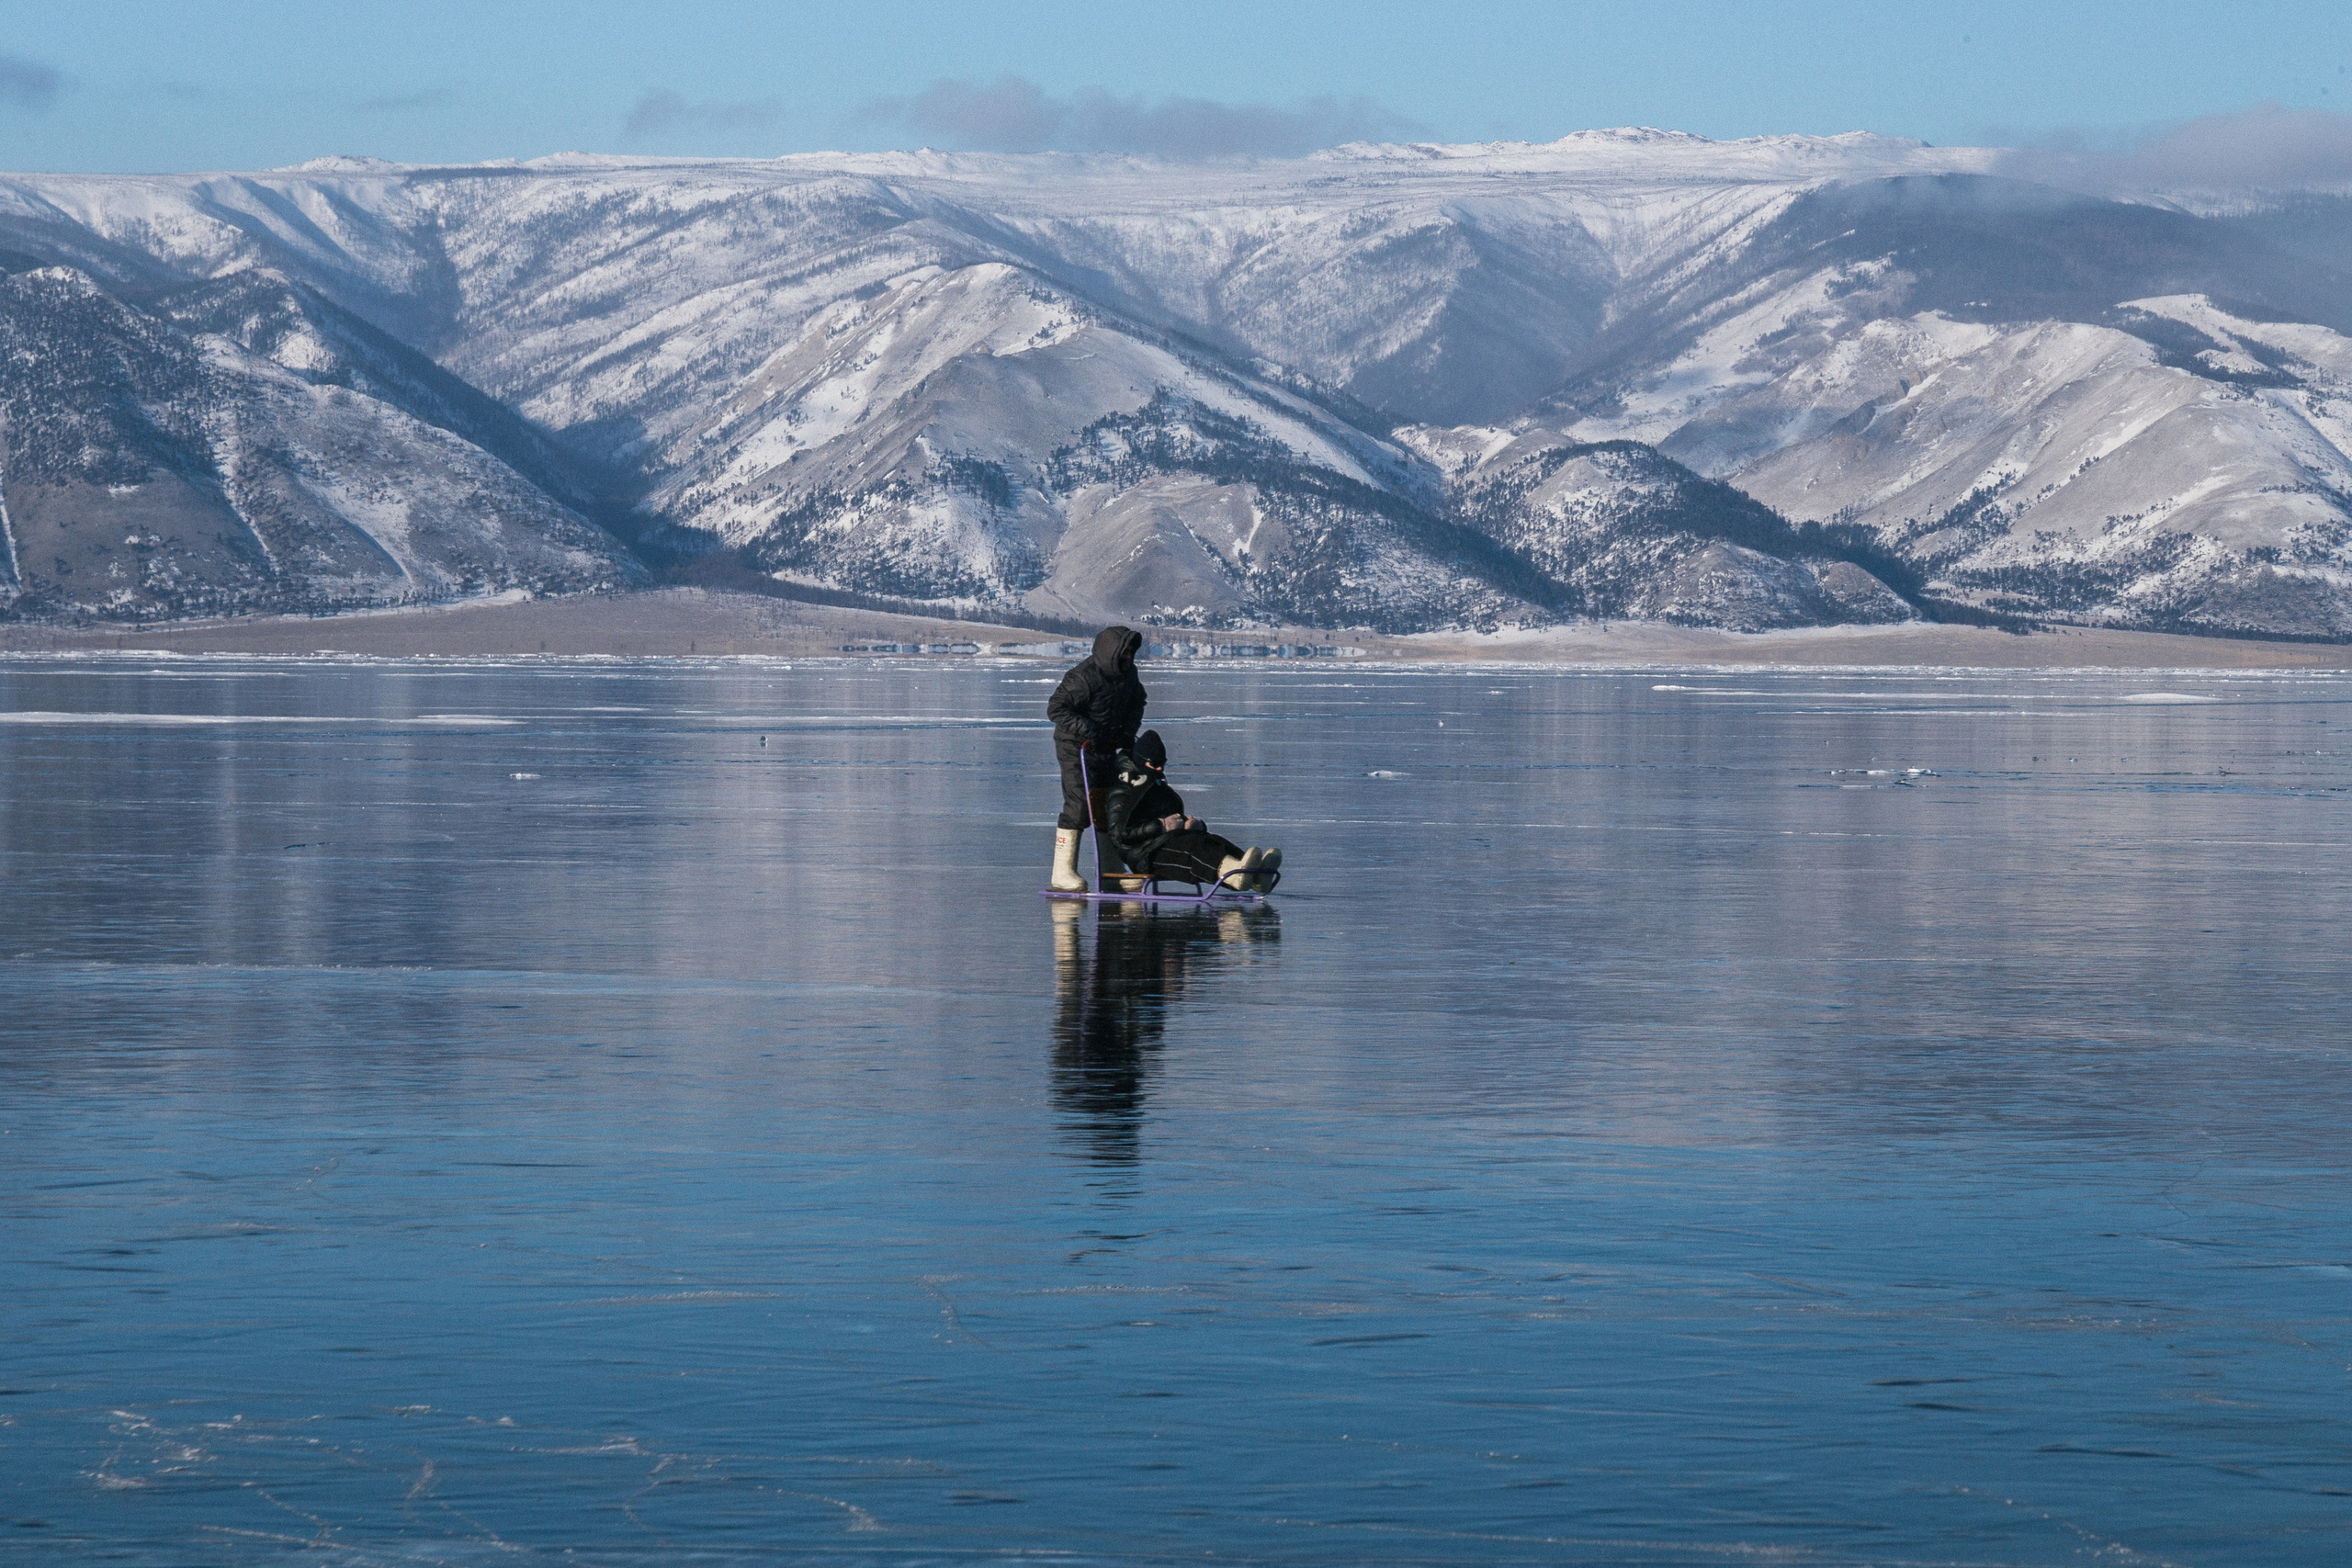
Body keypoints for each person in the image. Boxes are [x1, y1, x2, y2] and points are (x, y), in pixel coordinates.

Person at [1102, 730, 1282, 893]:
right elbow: (1119, 833)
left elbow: (1173, 814)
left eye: (1162, 763)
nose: (1160, 769)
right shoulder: (1123, 789)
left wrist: (1191, 825)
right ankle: (1234, 874)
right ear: (1142, 760)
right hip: (1144, 854)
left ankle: (1254, 873)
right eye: (1155, 764)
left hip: (1163, 841)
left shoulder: (1154, 783)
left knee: (1209, 840)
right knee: (1191, 851)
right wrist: (1161, 826)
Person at [1046, 626, 1148, 890]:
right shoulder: (1083, 677)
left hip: (1106, 746)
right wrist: (1089, 730)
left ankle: (1112, 869)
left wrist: (1127, 732)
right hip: (1075, 747)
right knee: (1079, 804)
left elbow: (1138, 702)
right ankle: (1062, 872)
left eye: (1130, 653)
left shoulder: (1129, 675)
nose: (1128, 658)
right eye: (1123, 653)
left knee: (1109, 804)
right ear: (1110, 652)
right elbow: (1056, 709)